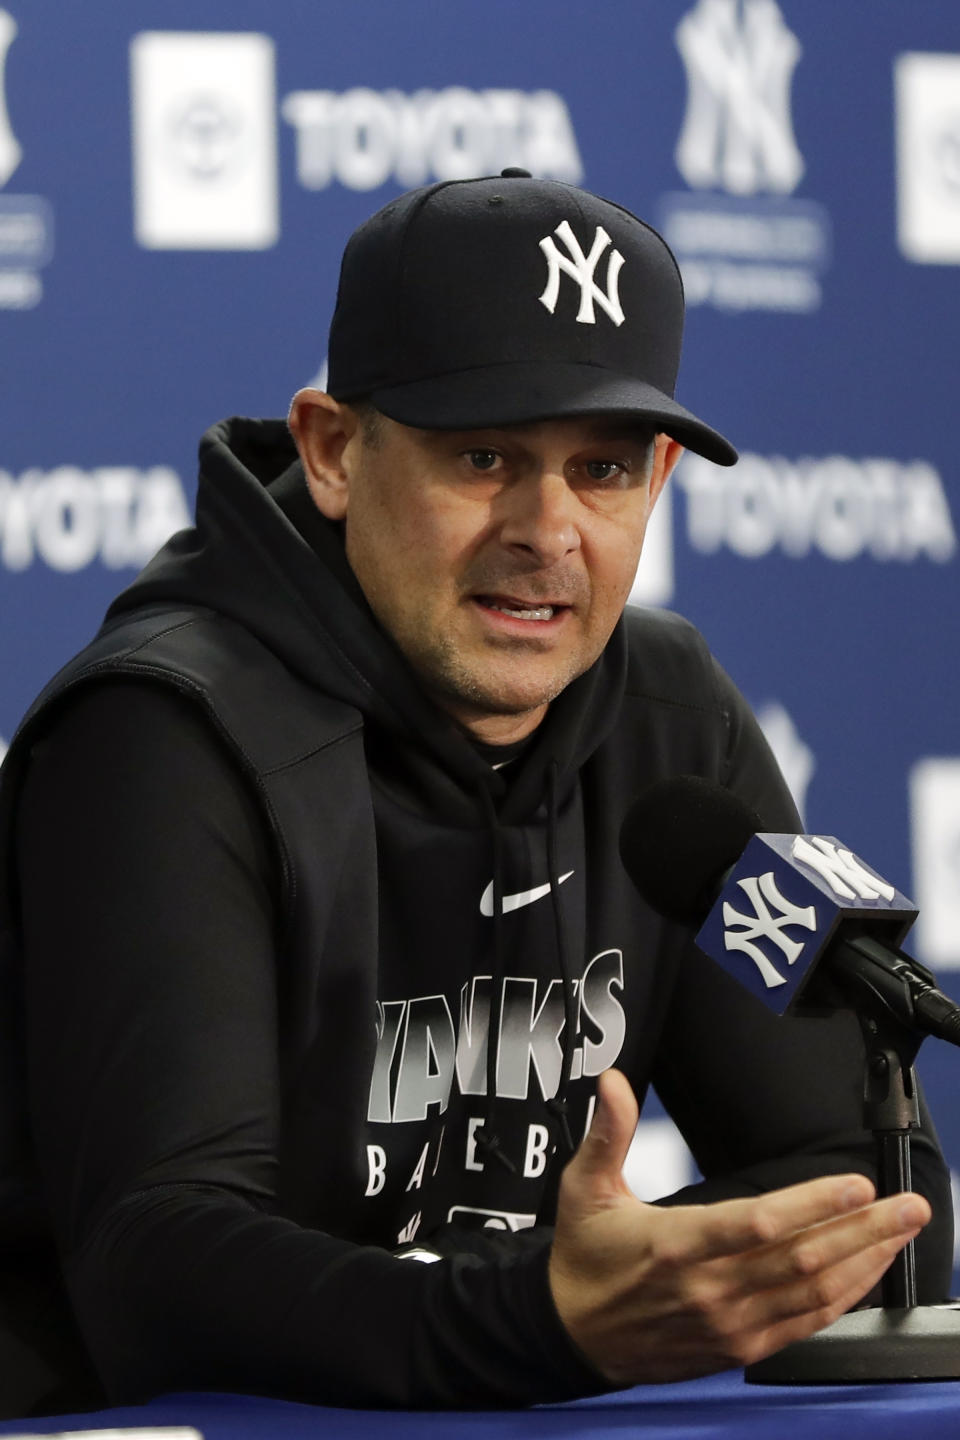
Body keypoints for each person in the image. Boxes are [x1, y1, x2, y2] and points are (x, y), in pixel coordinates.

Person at [0, 171, 951, 1419]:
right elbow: (159, 1271)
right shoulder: (163, 735)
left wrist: (589, 1299)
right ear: (335, 451)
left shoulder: (672, 721)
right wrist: (546, 1316)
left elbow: (856, 1179)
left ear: (658, 479)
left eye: (602, 470)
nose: (547, 531)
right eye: (486, 455)